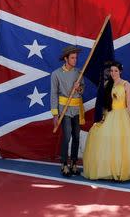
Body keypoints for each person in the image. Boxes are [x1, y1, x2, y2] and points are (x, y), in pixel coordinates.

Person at [82, 60, 130, 180]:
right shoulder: (107, 84)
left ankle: (124, 169)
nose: (113, 73)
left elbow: (129, 103)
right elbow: (105, 104)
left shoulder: (126, 84)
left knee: (124, 143)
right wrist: (103, 117)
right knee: (106, 139)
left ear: (120, 71)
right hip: (110, 114)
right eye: (111, 71)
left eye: (115, 71)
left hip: (123, 114)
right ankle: (111, 170)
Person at [51, 45, 85, 177]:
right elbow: (53, 94)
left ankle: (74, 163)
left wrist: (78, 89)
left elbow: (83, 90)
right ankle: (64, 164)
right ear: (66, 59)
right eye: (72, 58)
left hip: (76, 109)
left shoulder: (79, 73)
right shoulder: (56, 74)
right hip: (64, 110)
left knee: (76, 136)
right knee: (67, 136)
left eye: (76, 57)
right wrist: (55, 114)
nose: (75, 60)